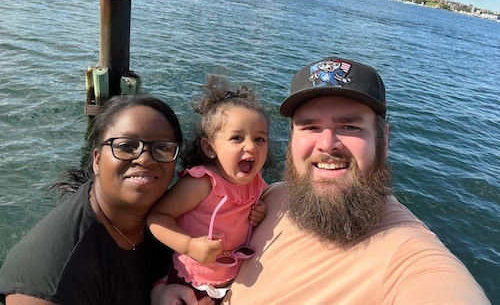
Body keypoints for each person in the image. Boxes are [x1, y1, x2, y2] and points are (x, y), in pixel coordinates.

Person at [223, 57, 490, 304]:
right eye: (310, 127)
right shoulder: (274, 196)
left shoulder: (408, 257)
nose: (327, 144)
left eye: (350, 126)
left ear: (383, 139)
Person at [0, 95, 212, 305]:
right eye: (126, 146)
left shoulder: (177, 215)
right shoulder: (49, 280)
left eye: (162, 148)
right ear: (97, 159)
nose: (145, 158)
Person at [148, 76, 268, 303]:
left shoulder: (256, 182)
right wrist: (190, 245)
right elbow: (156, 218)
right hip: (189, 278)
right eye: (237, 138)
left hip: (230, 279)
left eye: (260, 139)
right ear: (210, 147)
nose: (251, 146)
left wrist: (259, 213)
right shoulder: (202, 183)